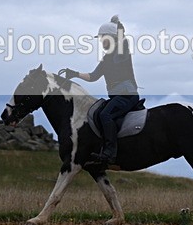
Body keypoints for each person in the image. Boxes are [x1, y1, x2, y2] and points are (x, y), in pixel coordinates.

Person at [59, 15, 140, 169]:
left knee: (105, 115)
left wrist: (119, 28)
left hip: (127, 95)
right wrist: (75, 74)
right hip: (116, 96)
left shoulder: (121, 53)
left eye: (103, 38)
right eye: (101, 39)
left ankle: (110, 153)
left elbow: (124, 42)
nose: (101, 41)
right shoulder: (106, 59)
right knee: (98, 114)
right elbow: (93, 76)